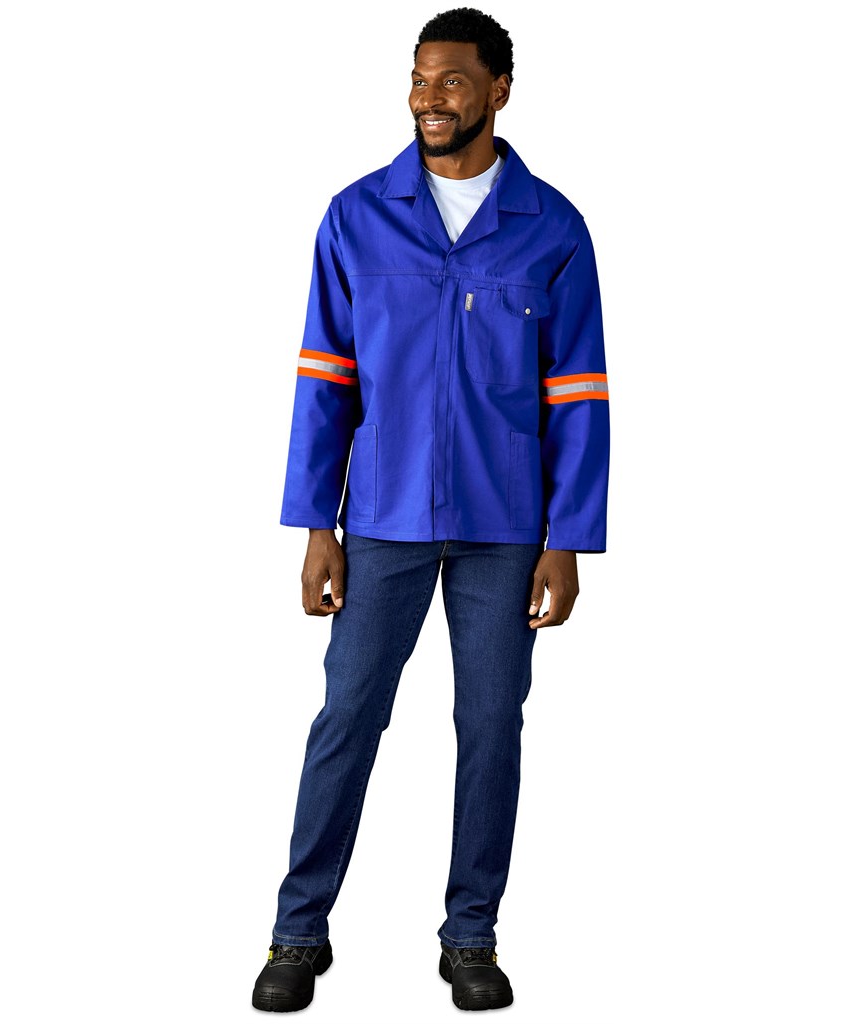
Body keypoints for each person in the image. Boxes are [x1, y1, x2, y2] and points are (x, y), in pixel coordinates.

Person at [252, 7, 609, 1013]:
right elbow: (324, 380)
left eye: (451, 79)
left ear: (499, 90)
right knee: (347, 717)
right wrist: (315, 525)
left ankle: (471, 936)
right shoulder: (356, 217)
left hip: (507, 525)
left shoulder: (553, 228)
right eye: (418, 78)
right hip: (382, 515)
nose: (428, 97)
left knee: (491, 726)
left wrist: (569, 540)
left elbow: (579, 392)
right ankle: (298, 930)